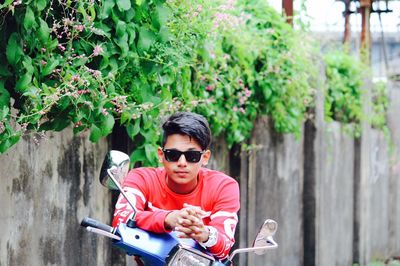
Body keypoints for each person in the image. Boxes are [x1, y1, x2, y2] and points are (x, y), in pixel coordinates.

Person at [112, 111, 240, 260]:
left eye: (192, 156)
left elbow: (224, 248)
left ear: (205, 158)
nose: (182, 163)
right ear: (161, 155)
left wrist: (204, 234)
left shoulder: (224, 186)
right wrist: (168, 219)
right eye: (173, 154)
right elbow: (120, 224)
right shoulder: (141, 178)